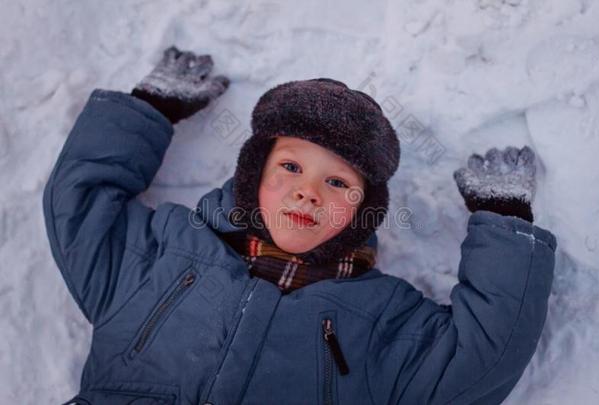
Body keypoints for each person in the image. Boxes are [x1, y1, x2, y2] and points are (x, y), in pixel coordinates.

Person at [42, 46, 557, 405]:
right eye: (289, 167)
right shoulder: (162, 259)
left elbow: (478, 361)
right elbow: (80, 203)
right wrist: (151, 109)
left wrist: (504, 220)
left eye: (337, 183)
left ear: (362, 213)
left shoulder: (384, 321)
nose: (308, 191)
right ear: (251, 178)